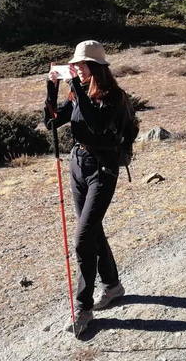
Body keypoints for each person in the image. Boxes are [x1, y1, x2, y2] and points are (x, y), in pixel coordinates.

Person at [44, 40, 127, 336]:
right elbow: (51, 123)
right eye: (74, 65)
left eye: (81, 65)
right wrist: (52, 90)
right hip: (78, 165)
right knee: (92, 231)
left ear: (96, 67)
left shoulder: (113, 96)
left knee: (82, 240)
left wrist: (76, 89)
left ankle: (84, 307)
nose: (76, 69)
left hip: (103, 169)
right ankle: (113, 286)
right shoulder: (76, 92)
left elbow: (96, 125)